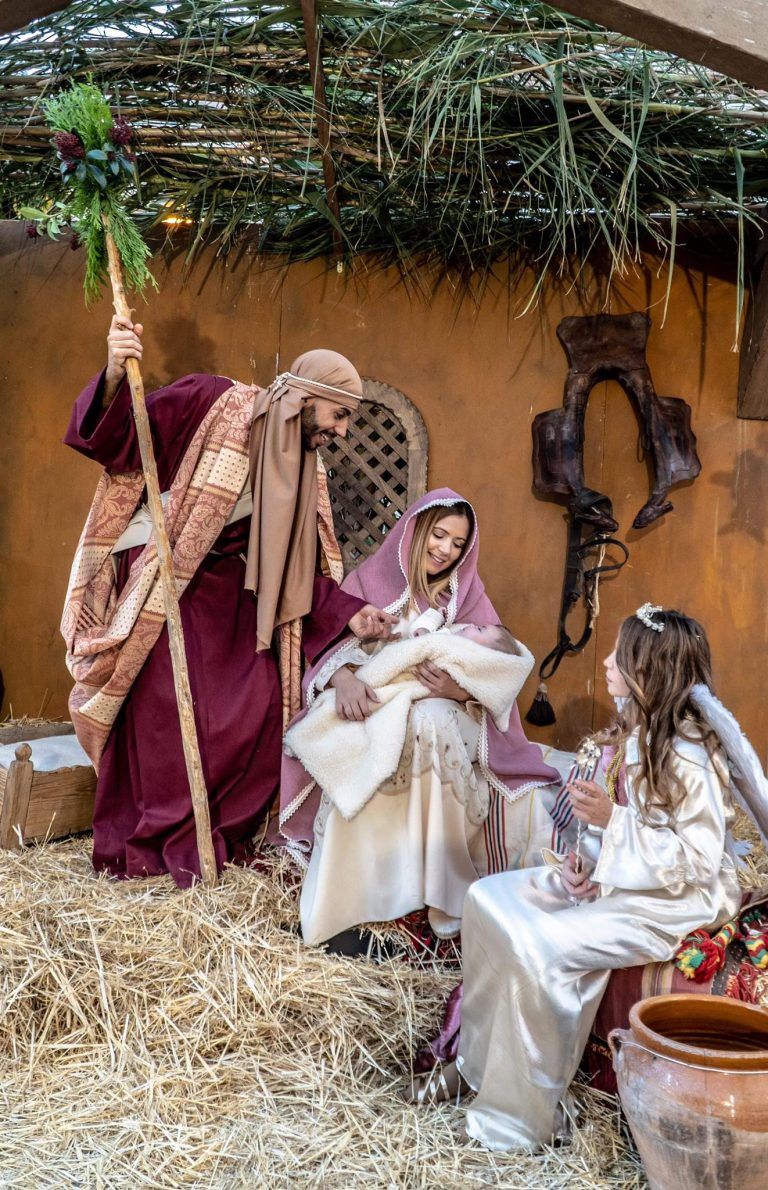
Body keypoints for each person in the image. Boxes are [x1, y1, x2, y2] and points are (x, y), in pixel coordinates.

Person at [61, 315, 395, 887]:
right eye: (339, 415)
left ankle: (222, 840)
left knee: (265, 700)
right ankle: (154, 844)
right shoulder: (212, 400)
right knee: (170, 692)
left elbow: (292, 570)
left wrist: (346, 612)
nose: (341, 432)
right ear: (307, 397)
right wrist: (117, 370)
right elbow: (120, 443)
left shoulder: (302, 467)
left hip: (234, 593)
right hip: (164, 577)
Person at [413, 605, 758, 1151]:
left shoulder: (688, 755)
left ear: (648, 670)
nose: (606, 662)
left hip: (673, 904)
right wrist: (590, 864)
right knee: (485, 899)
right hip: (626, 880)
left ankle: (523, 1115)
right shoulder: (638, 732)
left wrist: (610, 826)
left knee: (538, 945)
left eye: (619, 655)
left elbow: (695, 859)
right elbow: (630, 827)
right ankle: (474, 1064)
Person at [277, 489, 559, 943]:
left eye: (457, 543)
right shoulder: (368, 582)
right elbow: (326, 651)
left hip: (450, 712)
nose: (445, 549)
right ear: (417, 529)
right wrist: (345, 679)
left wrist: (459, 688)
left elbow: (500, 666)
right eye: (440, 535)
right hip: (381, 702)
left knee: (430, 719)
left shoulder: (466, 597)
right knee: (363, 726)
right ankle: (360, 894)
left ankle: (442, 887)